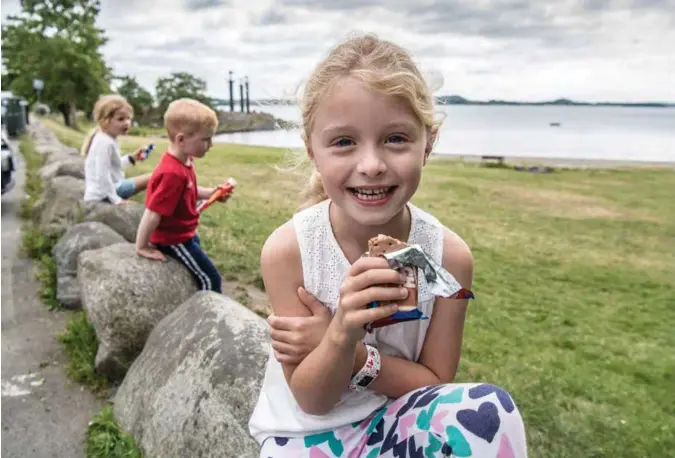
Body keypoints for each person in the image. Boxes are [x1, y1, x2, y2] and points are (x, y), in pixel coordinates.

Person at [248, 34, 528, 457]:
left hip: (399, 421)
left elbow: (434, 382)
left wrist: (357, 355)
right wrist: (340, 332)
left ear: (428, 142)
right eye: (343, 142)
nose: (373, 165)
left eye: (396, 138)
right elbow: (312, 400)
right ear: (313, 151)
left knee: (492, 409)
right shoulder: (290, 252)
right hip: (303, 435)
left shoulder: (449, 258)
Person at [134, 98, 228, 294]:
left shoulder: (185, 160)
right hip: (173, 239)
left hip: (186, 233)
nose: (210, 145)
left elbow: (190, 191)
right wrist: (142, 246)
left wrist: (212, 193)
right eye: (205, 139)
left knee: (199, 273)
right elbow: (152, 213)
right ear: (181, 139)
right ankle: (208, 317)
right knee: (211, 279)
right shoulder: (171, 173)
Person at [82, 94, 153, 204]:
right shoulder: (105, 143)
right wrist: (116, 200)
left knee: (155, 176)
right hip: (102, 195)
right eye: (121, 119)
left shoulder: (107, 138)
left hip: (108, 190)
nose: (127, 123)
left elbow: (114, 166)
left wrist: (132, 158)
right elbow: (102, 175)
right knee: (156, 176)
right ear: (104, 121)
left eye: (128, 118)